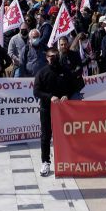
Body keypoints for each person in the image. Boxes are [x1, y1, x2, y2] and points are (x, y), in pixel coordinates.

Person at [33, 47, 84, 177]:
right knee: (45, 135)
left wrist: (67, 94)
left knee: (65, 134)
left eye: (55, 56)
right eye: (51, 57)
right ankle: (45, 162)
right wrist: (50, 97)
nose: (53, 59)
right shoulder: (42, 72)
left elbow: (74, 86)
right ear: (47, 58)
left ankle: (68, 160)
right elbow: (36, 92)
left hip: (62, 109)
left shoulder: (65, 71)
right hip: (46, 108)